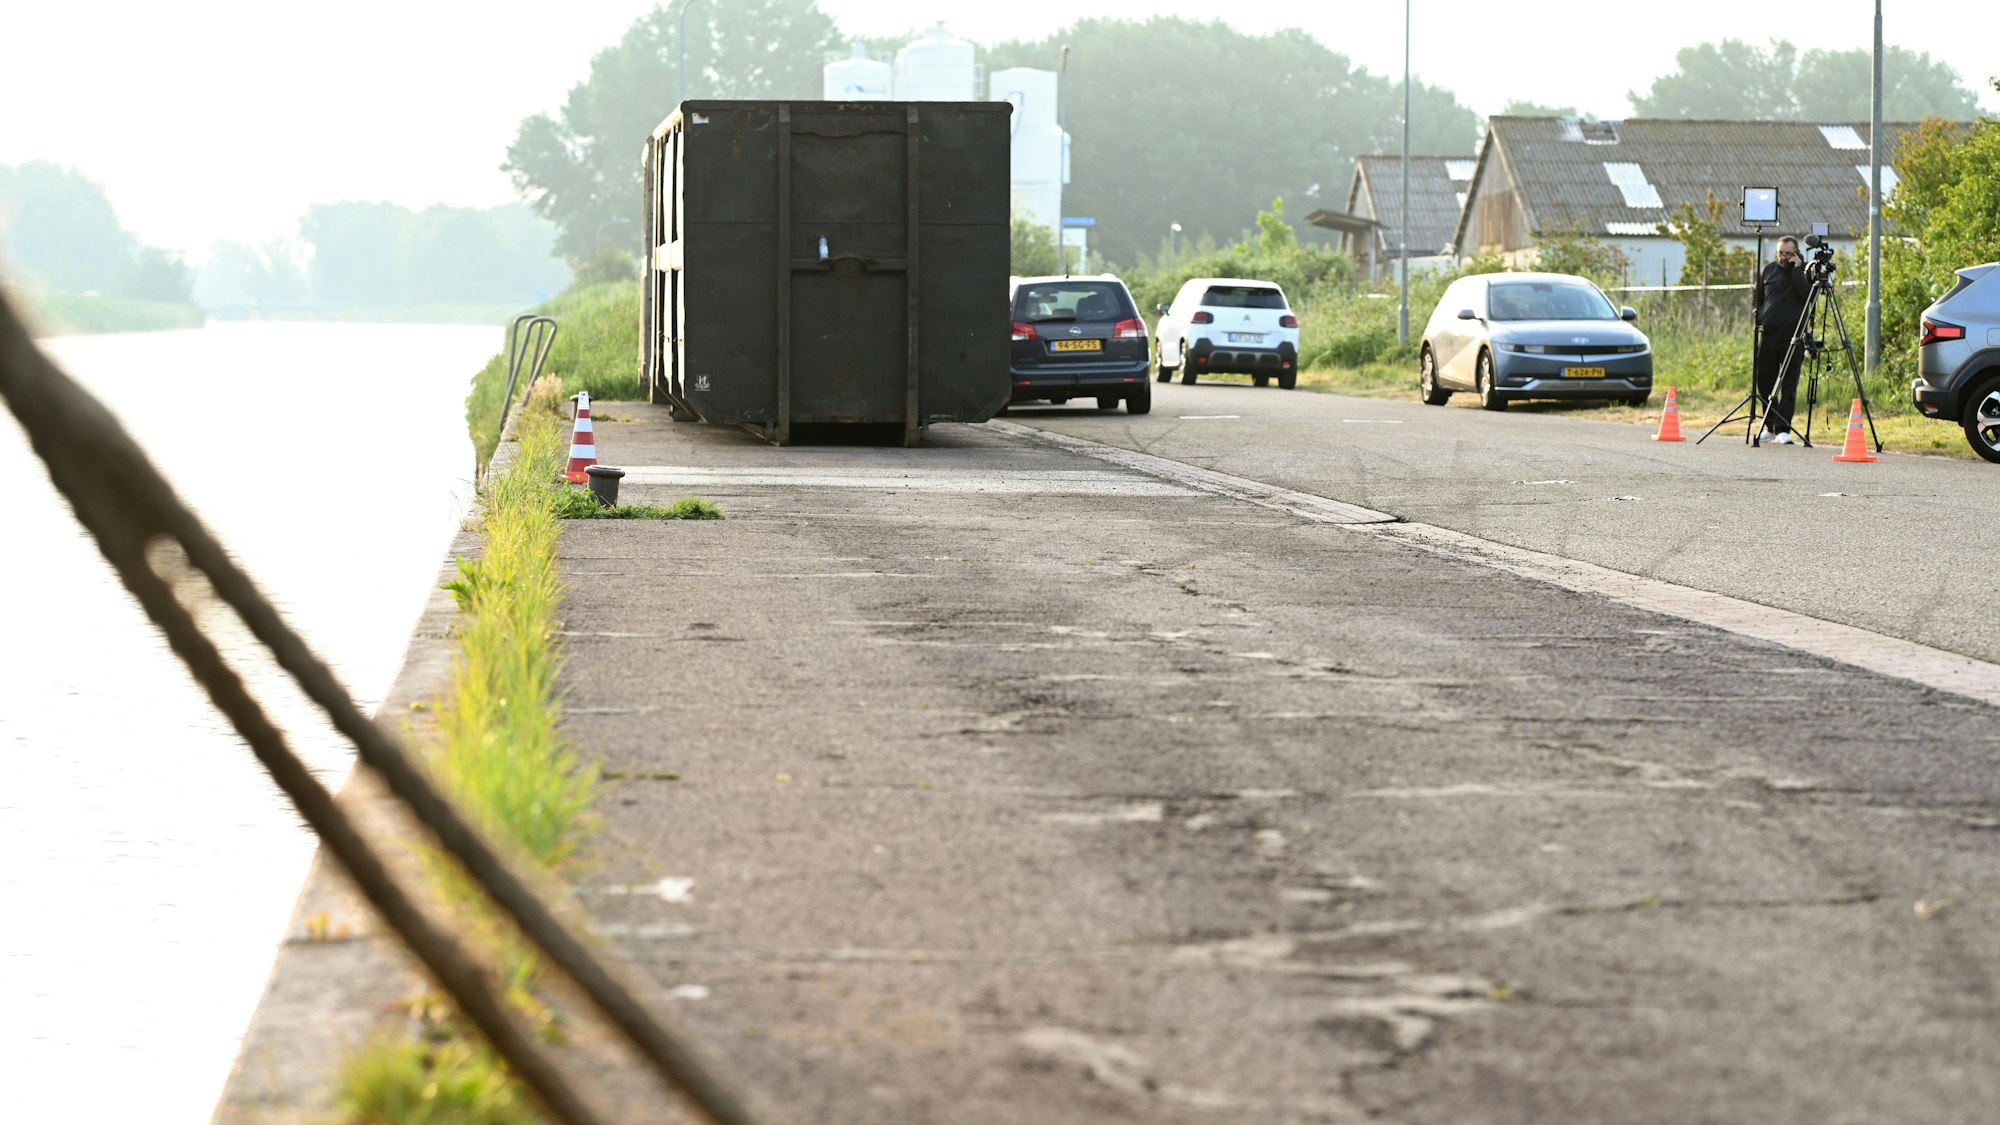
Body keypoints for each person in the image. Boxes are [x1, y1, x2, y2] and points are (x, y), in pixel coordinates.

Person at [1753, 236, 1812, 444]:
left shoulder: (1804, 273)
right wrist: (1760, 317)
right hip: (1769, 335)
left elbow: (1808, 297)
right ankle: (1770, 425)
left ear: (1796, 253)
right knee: (1765, 381)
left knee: (1788, 383)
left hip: (1792, 337)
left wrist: (1797, 270)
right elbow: (1759, 299)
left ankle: (1784, 428)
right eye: (1781, 253)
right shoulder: (1768, 270)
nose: (1784, 257)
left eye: (1788, 254)